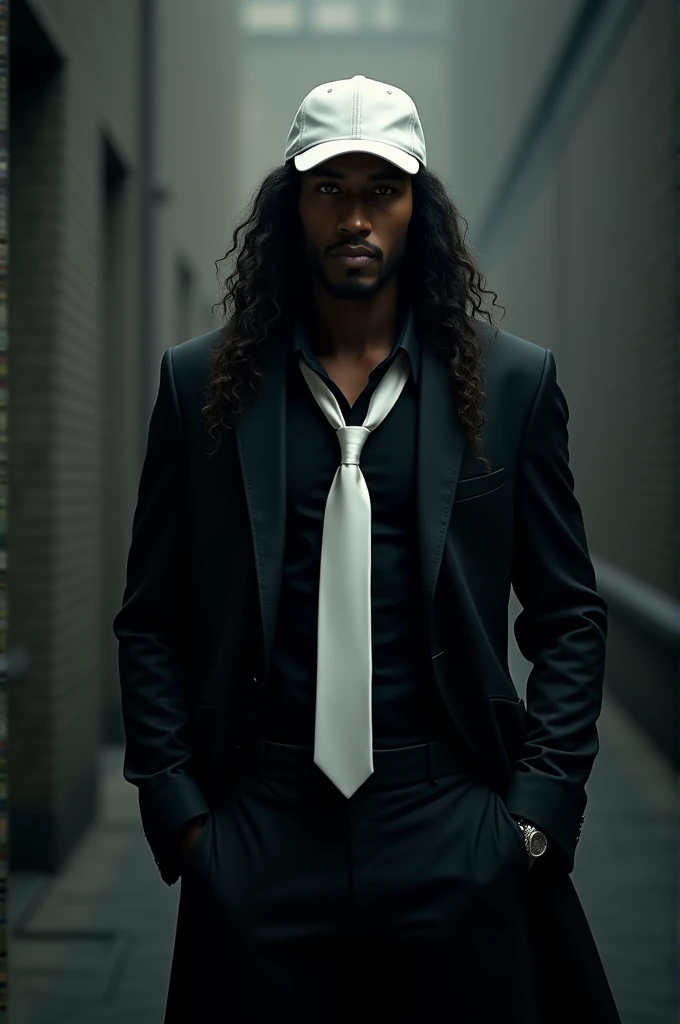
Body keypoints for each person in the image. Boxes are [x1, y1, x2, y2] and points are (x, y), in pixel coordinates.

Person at [113, 74, 621, 1023]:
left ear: (418, 210)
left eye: (382, 190)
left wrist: (535, 820)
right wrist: (182, 819)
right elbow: (149, 617)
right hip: (258, 821)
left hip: (450, 819)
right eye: (330, 189)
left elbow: (568, 613)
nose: (357, 216)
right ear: (291, 206)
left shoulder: (510, 385)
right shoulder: (200, 388)